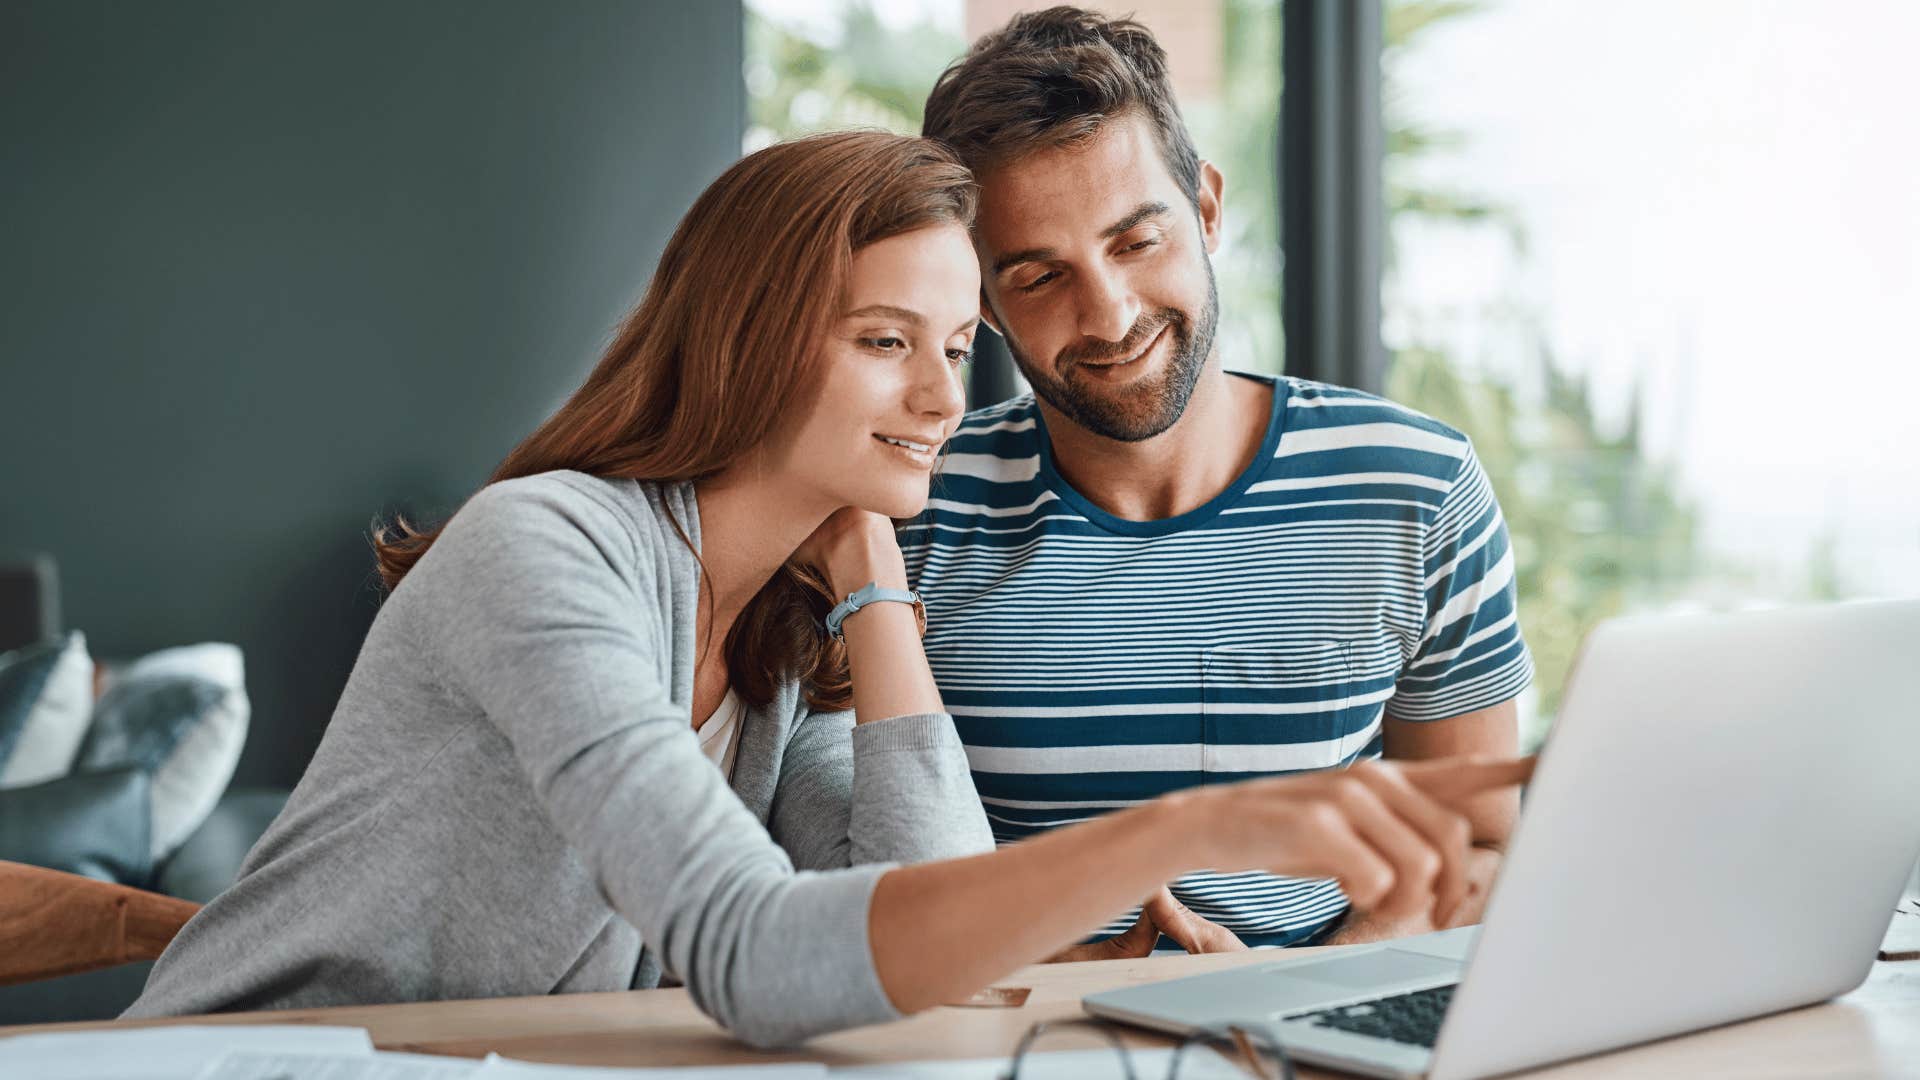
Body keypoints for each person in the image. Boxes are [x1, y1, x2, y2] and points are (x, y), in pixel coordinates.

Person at [126, 131, 1531, 1047]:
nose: (941, 396)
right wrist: (1189, 827)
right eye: (883, 342)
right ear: (742, 343)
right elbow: (751, 952)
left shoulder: (778, 641)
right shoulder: (543, 549)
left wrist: (867, 570)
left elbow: (923, 921)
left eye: (959, 344)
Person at [909, 7, 1536, 956]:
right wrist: (1066, 975)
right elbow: (852, 877)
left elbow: (1480, 846)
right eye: (1039, 278)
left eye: (1135, 241)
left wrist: (1287, 1000)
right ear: (986, 306)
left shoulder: (1418, 486)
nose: (1109, 315)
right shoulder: (913, 508)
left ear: (1205, 206)